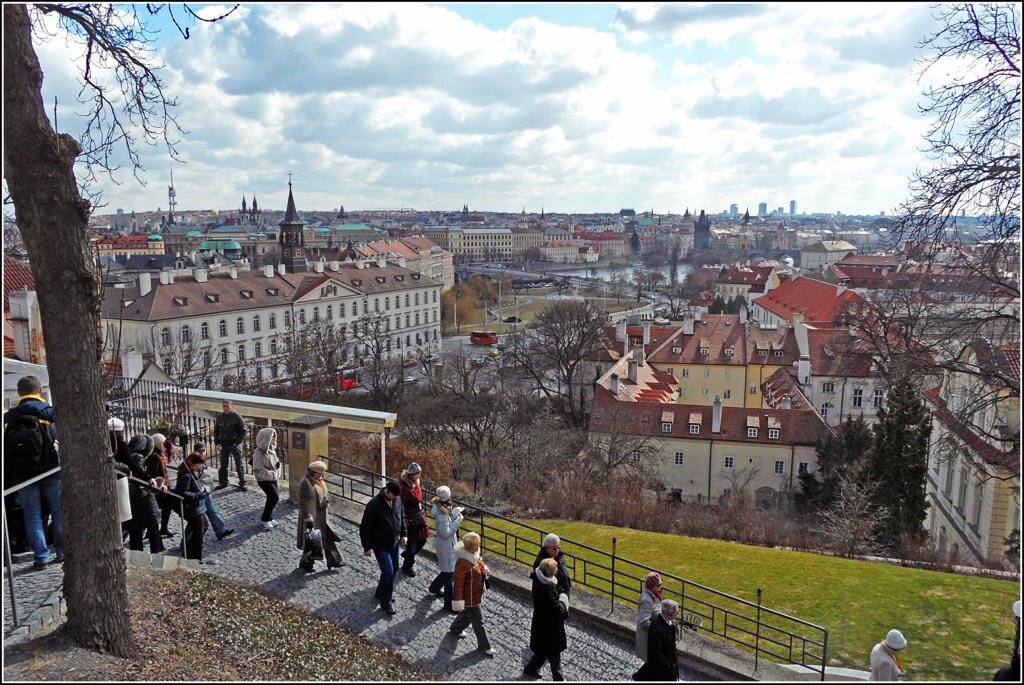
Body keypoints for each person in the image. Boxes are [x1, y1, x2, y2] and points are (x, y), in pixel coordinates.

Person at [3, 376, 63, 570]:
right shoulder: (47, 411)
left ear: (19, 393)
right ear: (39, 391)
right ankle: (62, 552)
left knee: (32, 515)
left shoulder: (9, 417)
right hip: (49, 469)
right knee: (58, 511)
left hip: (22, 474)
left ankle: (41, 557)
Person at [359, 480, 407, 615]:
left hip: (394, 542)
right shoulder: (374, 505)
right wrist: (366, 547)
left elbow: (401, 517)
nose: (397, 498)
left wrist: (404, 533)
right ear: (388, 492)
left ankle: (380, 592)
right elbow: (365, 527)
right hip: (380, 544)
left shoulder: (397, 500)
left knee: (395, 568)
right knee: (388, 572)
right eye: (395, 496)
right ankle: (386, 602)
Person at [449, 532, 496, 656]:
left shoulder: (474, 554)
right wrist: (458, 601)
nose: (478, 547)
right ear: (470, 547)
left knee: (467, 614)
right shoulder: (462, 563)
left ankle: (455, 628)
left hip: (475, 594)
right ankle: (484, 646)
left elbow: (480, 563)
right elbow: (458, 584)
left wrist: (484, 569)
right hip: (470, 597)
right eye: (476, 545)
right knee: (478, 621)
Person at [524, 557, 569, 679]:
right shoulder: (546, 589)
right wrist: (564, 600)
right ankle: (558, 679)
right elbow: (557, 610)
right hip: (550, 628)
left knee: (542, 652)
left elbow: (556, 589)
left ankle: (530, 669)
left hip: (542, 624)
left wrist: (560, 592)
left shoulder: (541, 581)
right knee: (554, 655)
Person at [296, 461, 342, 573]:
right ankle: (306, 564)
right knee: (312, 542)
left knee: (327, 537)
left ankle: (334, 560)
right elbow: (302, 502)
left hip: (322, 516)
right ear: (312, 472)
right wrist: (307, 517)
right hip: (313, 517)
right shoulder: (305, 483)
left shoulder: (319, 481)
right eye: (319, 473)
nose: (321, 476)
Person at [125, 435, 165, 554]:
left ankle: (138, 555)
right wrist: (151, 482)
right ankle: (155, 552)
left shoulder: (130, 456)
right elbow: (139, 473)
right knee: (151, 526)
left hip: (134, 497)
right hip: (141, 497)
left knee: (137, 529)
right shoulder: (138, 457)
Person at [428, 485, 463, 612]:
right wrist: (458, 522)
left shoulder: (442, 510)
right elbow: (446, 533)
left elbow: (446, 526)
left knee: (447, 572)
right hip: (446, 547)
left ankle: (434, 588)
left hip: (447, 546)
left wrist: (453, 516)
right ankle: (449, 604)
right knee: (449, 576)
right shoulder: (442, 515)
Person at [191, 444, 234, 542]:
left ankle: (220, 531)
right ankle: (185, 541)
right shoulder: (194, 462)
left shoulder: (203, 461)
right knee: (196, 519)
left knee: (211, 511)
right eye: (200, 451)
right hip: (200, 492)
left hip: (206, 491)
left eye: (204, 451)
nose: (203, 453)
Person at [174, 451, 210, 561]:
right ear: (194, 463)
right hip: (192, 508)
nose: (200, 466)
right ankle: (193, 557)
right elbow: (182, 493)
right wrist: (199, 495)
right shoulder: (185, 475)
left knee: (204, 526)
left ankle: (188, 550)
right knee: (198, 532)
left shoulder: (193, 471)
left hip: (198, 507)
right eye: (200, 464)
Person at [634, 600, 680, 682]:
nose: (677, 614)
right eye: (676, 612)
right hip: (661, 671)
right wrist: (669, 666)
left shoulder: (664, 621)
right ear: (670, 614)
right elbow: (657, 655)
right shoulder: (658, 630)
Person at [399, 462, 429, 577]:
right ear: (412, 474)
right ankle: (408, 565)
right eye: (418, 474)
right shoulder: (405, 488)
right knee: (412, 546)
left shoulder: (415, 483)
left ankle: (407, 555)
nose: (420, 476)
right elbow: (403, 506)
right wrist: (405, 522)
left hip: (419, 517)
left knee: (423, 540)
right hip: (411, 520)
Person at [146, 433, 177, 539]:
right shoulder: (155, 457)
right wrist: (162, 484)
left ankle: (161, 528)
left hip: (164, 486)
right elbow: (154, 473)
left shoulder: (159, 454)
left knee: (164, 508)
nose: (164, 445)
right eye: (162, 443)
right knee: (164, 507)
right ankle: (161, 528)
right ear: (158, 444)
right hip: (161, 487)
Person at [251, 427, 282, 531]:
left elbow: (275, 461)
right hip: (264, 479)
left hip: (273, 477)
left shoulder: (271, 448)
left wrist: (277, 468)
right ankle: (265, 518)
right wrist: (272, 474)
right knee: (274, 497)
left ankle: (269, 517)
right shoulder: (259, 452)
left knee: (272, 498)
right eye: (271, 437)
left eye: (274, 437)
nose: (273, 439)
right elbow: (257, 469)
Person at [213, 400, 247, 491]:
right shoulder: (220, 417)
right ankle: (223, 483)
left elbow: (243, 430)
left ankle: (242, 483)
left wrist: (237, 442)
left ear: (231, 406)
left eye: (227, 406)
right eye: (224, 406)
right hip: (224, 443)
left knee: (239, 464)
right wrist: (217, 443)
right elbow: (216, 431)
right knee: (223, 465)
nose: (225, 408)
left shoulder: (237, 417)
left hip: (235, 444)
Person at [532, 533, 572, 597]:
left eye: (558, 547)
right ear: (547, 548)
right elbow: (544, 585)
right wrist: (561, 593)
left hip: (564, 592)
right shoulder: (541, 563)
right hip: (556, 597)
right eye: (554, 548)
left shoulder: (559, 556)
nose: (557, 550)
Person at [635, 572, 663, 662]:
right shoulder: (647, 601)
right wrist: (658, 629)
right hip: (648, 639)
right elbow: (643, 622)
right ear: (652, 587)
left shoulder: (654, 595)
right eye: (659, 585)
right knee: (652, 663)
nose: (661, 587)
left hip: (652, 638)